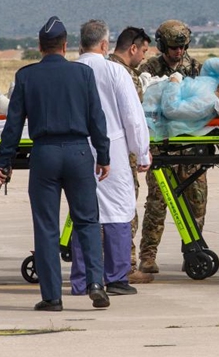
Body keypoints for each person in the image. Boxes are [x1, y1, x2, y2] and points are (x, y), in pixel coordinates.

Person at [0, 16, 111, 311]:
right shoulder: (83, 74)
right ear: (65, 45)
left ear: (39, 46)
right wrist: (104, 155)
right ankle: (96, 283)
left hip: (45, 154)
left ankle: (52, 297)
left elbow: (13, 124)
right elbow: (97, 118)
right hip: (78, 153)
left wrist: (5, 160)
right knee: (87, 221)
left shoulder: (26, 76)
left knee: (46, 226)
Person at [70, 20, 151, 297]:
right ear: (105, 45)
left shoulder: (71, 71)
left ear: (81, 44)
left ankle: (83, 280)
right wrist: (142, 151)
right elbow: (133, 117)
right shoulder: (116, 72)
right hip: (112, 149)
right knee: (118, 210)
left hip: (77, 149)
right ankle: (116, 277)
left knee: (83, 213)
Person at [136, 19, 205, 274]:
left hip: (190, 147)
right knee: (157, 203)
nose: (178, 52)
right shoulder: (149, 70)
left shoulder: (196, 68)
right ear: (163, 46)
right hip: (162, 148)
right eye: (174, 47)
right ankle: (148, 255)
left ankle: (193, 252)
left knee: (197, 203)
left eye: (182, 47)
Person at [108, 26, 154, 284]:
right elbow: (134, 120)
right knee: (125, 212)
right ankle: (126, 265)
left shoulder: (101, 69)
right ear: (133, 48)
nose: (144, 56)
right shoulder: (126, 75)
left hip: (99, 153)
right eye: (143, 50)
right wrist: (142, 152)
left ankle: (105, 264)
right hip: (123, 155)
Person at [143, 57, 219, 139]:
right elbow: (208, 65)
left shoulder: (206, 104)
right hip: (150, 90)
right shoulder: (214, 83)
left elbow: (171, 109)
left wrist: (174, 82)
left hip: (148, 104)